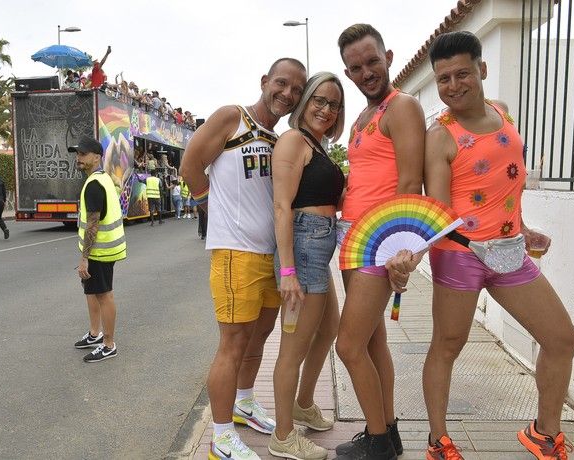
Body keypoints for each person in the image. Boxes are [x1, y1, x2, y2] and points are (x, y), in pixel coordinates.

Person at [421, 31, 574, 460]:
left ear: (482, 70)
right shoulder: (440, 137)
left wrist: (522, 228)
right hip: (460, 254)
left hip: (510, 252)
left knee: (562, 339)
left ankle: (545, 433)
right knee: (447, 345)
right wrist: (413, 252)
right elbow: (436, 211)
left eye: (462, 74)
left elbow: (504, 182)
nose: (453, 86)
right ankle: (438, 441)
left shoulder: (502, 115)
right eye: (443, 79)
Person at [180, 57, 307, 460]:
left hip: (270, 257)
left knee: (259, 338)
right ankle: (220, 437)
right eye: (282, 84)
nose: (287, 94)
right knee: (232, 344)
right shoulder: (232, 118)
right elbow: (190, 166)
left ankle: (244, 402)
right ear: (265, 80)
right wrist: (211, 210)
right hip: (236, 254)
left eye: (296, 90)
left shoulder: (279, 138)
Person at [333, 24, 425, 460]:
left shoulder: (401, 106)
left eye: (372, 61)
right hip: (353, 240)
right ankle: (388, 429)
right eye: (356, 67)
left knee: (347, 345)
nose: (366, 72)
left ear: (388, 56)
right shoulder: (362, 117)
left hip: (377, 243)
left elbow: (410, 182)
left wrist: (398, 252)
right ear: (347, 73)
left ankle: (376, 441)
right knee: (372, 343)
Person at [267, 72, 346, 460]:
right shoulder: (292, 140)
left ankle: (303, 401)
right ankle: (283, 436)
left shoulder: (317, 144)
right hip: (302, 249)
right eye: (319, 100)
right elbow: (282, 207)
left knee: (328, 328)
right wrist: (287, 272)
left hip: (318, 248)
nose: (326, 110)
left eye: (333, 104)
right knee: (292, 349)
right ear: (305, 101)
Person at [70, 136, 126, 363]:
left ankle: (108, 344)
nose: (78, 158)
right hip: (100, 248)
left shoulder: (94, 185)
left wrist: (84, 258)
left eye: (83, 154)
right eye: (77, 155)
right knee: (91, 290)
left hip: (100, 251)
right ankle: (95, 334)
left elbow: (93, 224)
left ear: (97, 157)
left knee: (104, 295)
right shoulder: (102, 179)